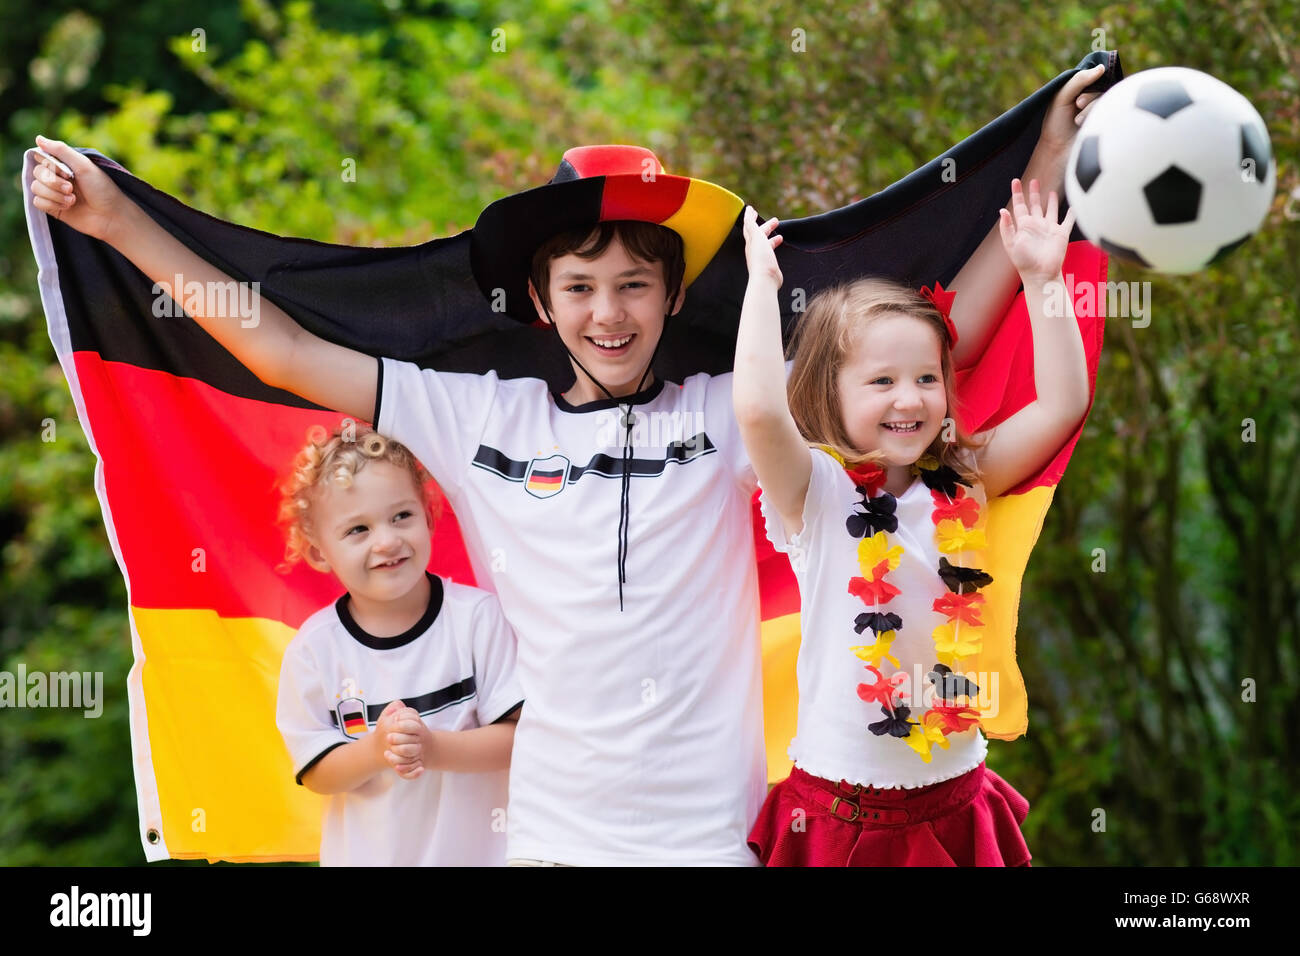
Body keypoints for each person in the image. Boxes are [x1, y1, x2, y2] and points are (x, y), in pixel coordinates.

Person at [24, 64, 1101, 865]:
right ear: (540, 303)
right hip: (546, 835)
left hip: (719, 837)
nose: (609, 310)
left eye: (636, 283)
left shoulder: (735, 412)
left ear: (674, 298)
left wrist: (1041, 168)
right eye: (580, 286)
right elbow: (283, 349)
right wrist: (118, 223)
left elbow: (921, 352)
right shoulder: (470, 413)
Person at [734, 176, 1090, 866]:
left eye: (928, 378)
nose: (911, 398)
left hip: (955, 796)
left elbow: (1060, 406)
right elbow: (757, 412)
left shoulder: (965, 482)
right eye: (881, 381)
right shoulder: (818, 497)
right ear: (825, 394)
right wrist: (760, 284)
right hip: (841, 816)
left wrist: (1044, 279)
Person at [274, 424, 523, 866]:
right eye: (357, 530)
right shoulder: (314, 651)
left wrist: (432, 747)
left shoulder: (477, 620)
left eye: (401, 516)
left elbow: (518, 739)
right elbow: (317, 773)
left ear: (428, 516)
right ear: (318, 551)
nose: (387, 541)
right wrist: (376, 749)